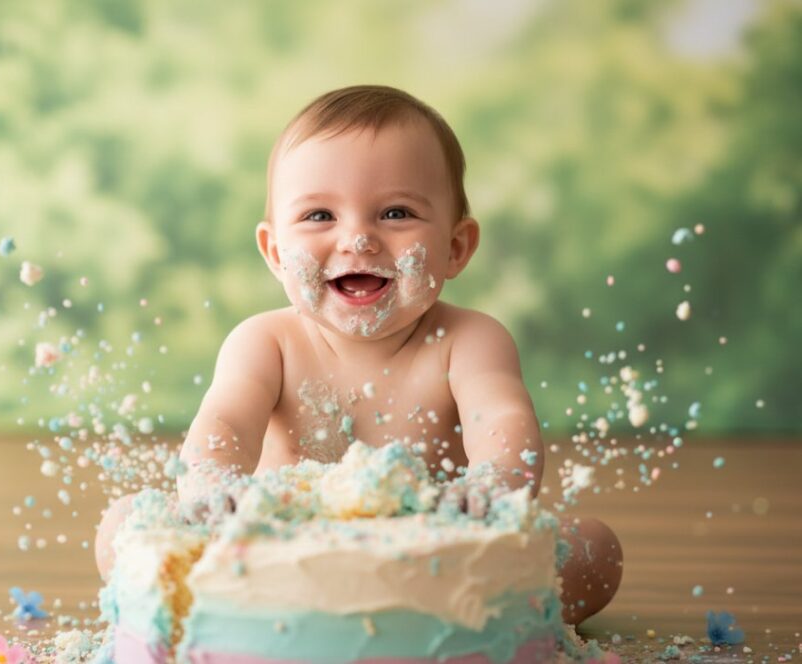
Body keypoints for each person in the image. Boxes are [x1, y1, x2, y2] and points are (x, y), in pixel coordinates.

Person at [95, 84, 622, 624]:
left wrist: (491, 489)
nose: (359, 239)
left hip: (433, 557)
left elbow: (503, 419)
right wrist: (214, 485)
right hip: (277, 555)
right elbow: (224, 420)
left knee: (596, 550)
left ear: (455, 247)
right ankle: (281, 619)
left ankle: (407, 622)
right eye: (320, 216)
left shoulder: (470, 340)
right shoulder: (266, 342)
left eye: (395, 213)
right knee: (121, 527)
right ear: (276, 253)